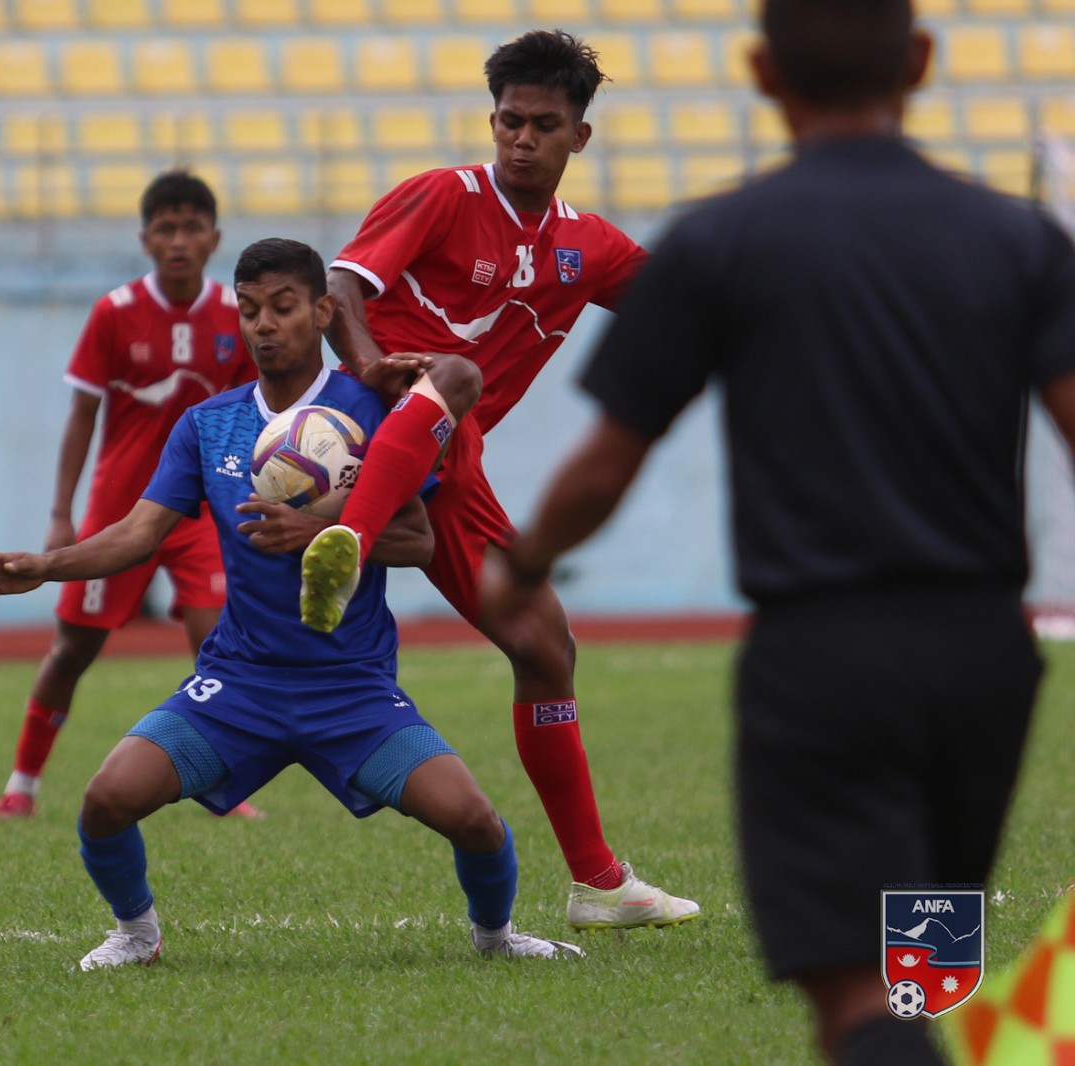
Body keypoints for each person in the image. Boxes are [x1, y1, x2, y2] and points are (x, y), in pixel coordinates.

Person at [483, 1, 1075, 1062]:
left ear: (761, 73)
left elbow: (608, 460)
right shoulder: (1016, 238)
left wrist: (521, 567)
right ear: (922, 62)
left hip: (819, 655)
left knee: (850, 995)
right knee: (920, 973)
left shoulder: (723, 240)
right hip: (979, 650)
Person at [0, 238, 584, 969]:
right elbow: (140, 532)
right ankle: (136, 934)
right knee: (106, 799)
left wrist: (320, 523)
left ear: (323, 312)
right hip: (240, 684)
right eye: (250, 310)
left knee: (476, 821)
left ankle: (498, 939)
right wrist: (45, 565)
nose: (263, 325)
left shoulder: (376, 409)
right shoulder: (209, 424)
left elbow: (418, 538)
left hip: (350, 688)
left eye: (284, 308)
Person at [298, 29, 698, 930]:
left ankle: (598, 882)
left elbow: (682, 303)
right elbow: (343, 288)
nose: (522, 139)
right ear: (491, 122)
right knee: (456, 374)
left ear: (578, 139)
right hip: (369, 422)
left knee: (545, 644)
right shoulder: (444, 196)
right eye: (510, 121)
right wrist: (368, 368)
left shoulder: (586, 249)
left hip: (451, 454)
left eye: (544, 125)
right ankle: (348, 543)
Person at [0, 169, 262, 821]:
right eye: (165, 228)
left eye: (191, 227)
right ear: (145, 239)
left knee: (217, 645)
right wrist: (62, 513)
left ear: (213, 237)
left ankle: (225, 790)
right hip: (119, 511)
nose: (178, 240)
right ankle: (22, 783)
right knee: (72, 650)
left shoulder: (234, 315)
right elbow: (82, 415)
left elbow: (255, 413)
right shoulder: (114, 313)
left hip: (201, 512)